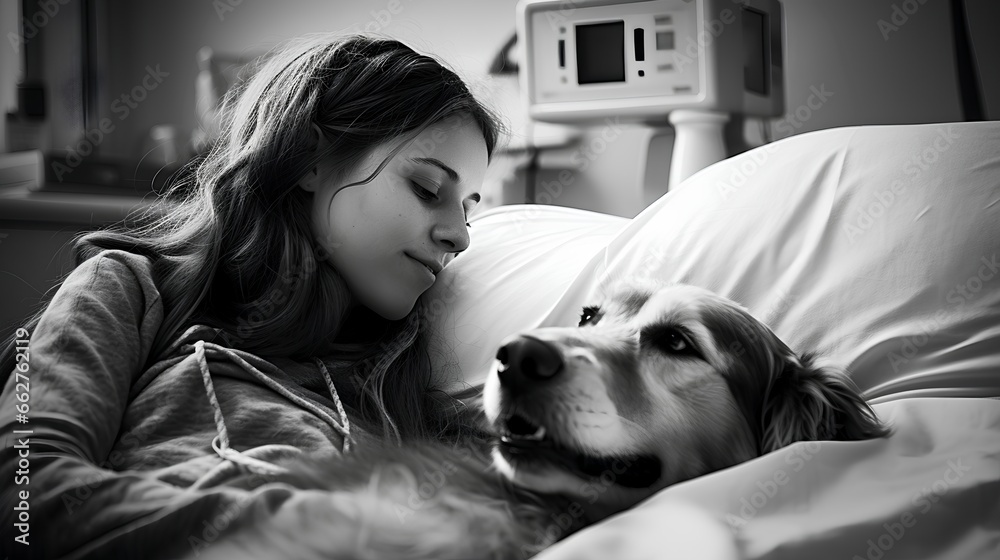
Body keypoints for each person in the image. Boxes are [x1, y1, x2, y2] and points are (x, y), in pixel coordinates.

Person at [0, 33, 503, 559]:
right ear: (311, 158)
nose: (460, 235)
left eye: (468, 208)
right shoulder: (126, 290)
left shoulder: (405, 376)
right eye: (427, 189)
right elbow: (24, 494)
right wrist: (315, 528)